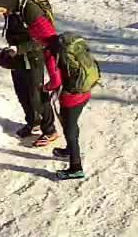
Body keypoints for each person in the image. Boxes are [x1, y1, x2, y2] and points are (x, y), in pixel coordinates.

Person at [0, 0, 58, 147]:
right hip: (16, 55)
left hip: (33, 56)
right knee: (22, 92)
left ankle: (50, 129)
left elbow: (46, 39)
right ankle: (33, 122)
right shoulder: (9, 5)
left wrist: (19, 49)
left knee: (37, 95)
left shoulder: (30, 10)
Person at [40, 30, 99, 181]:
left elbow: (56, 82)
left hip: (71, 98)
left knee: (69, 129)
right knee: (71, 125)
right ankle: (69, 150)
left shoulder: (51, 53)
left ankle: (76, 168)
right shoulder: (66, 45)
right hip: (85, 91)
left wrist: (45, 88)